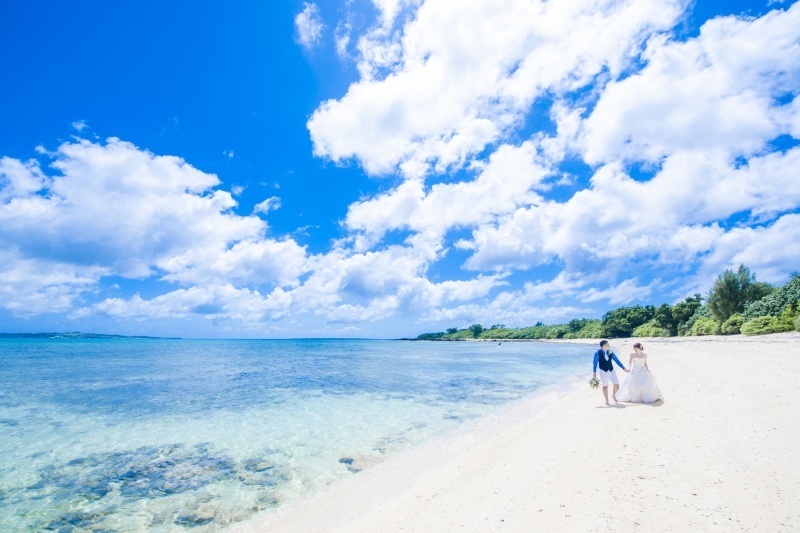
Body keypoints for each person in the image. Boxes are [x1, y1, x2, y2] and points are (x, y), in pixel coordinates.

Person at [593, 340, 629, 405]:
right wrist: (594, 372)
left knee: (617, 386)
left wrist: (623, 368)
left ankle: (613, 395)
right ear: (604, 345)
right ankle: (607, 400)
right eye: (608, 344)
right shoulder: (597, 352)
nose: (609, 345)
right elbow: (595, 363)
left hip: (611, 370)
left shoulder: (610, 352)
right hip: (603, 371)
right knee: (605, 387)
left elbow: (616, 360)